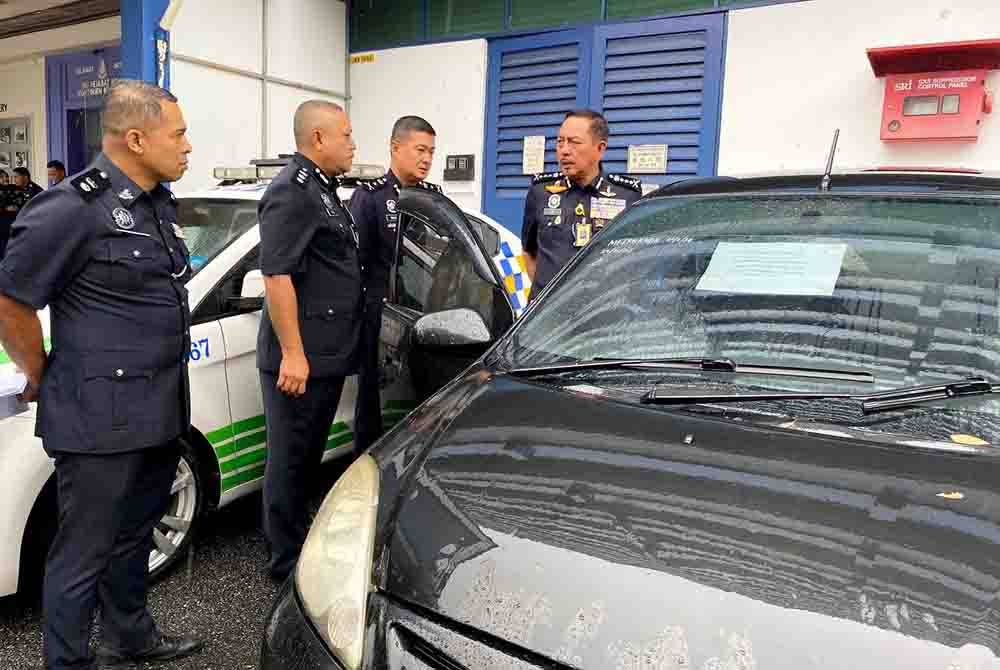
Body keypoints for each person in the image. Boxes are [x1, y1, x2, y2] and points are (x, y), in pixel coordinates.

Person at [0, 81, 203, 670]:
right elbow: (13, 299)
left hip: (159, 408)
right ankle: (67, 662)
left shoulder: (157, 203)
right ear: (136, 139)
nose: (188, 145)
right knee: (81, 553)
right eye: (180, 133)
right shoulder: (70, 208)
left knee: (134, 536)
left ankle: (129, 636)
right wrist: (39, 370)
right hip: (98, 417)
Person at [257, 100, 363, 581]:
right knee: (291, 460)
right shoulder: (293, 192)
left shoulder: (323, 189)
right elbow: (277, 276)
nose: (353, 144)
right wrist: (294, 354)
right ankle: (285, 561)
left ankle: (298, 545)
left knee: (306, 458)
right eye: (345, 135)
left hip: (326, 352)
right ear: (318, 139)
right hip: (304, 357)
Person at [350, 115, 440, 451]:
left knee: (422, 400)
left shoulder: (433, 197)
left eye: (431, 151)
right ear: (395, 148)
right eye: (420, 149)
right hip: (379, 316)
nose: (427, 158)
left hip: (426, 316)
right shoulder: (370, 197)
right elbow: (356, 263)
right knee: (373, 404)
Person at [521, 109, 642, 302]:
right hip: (547, 314)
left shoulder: (627, 195)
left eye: (574, 142)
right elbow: (529, 252)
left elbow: (633, 259)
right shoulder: (541, 191)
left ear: (600, 148)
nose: (565, 150)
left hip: (600, 312)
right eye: (560, 142)